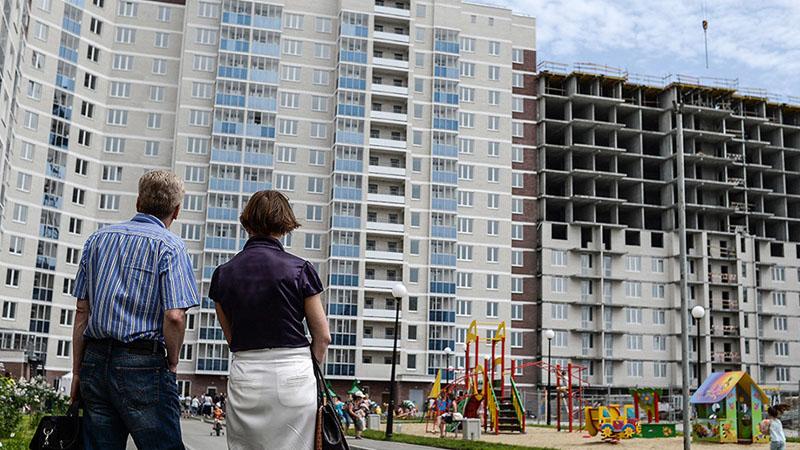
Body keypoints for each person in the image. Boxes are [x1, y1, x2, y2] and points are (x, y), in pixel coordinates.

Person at [70, 170, 200, 450]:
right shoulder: (170, 246)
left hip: (95, 361)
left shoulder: (97, 240)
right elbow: (175, 316)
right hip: (144, 363)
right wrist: (173, 362)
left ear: (138, 202)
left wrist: (77, 371)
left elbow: (82, 311)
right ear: (177, 211)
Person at [209, 190, 331, 450]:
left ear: (247, 222)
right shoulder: (300, 269)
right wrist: (308, 368)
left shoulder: (223, 274)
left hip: (247, 374)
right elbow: (322, 336)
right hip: (294, 373)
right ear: (285, 223)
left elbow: (231, 337)